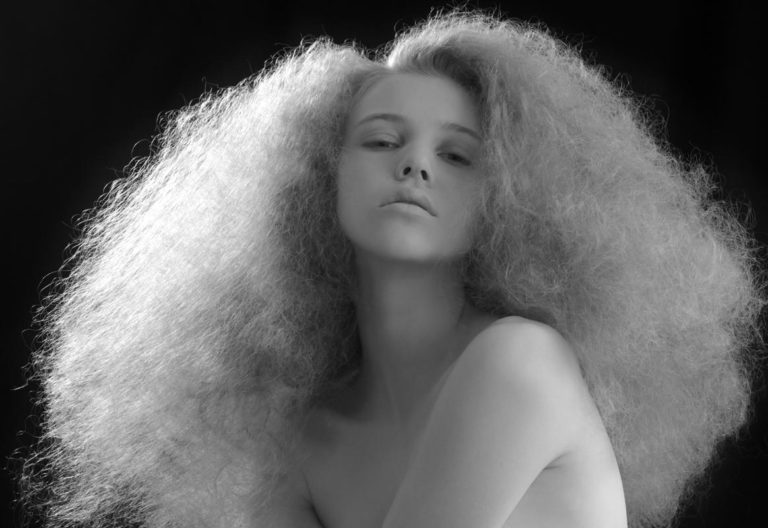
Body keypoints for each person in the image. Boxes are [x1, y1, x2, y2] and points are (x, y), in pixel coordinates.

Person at [20, 7, 764, 528]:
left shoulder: (517, 362)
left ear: (506, 200)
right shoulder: (308, 436)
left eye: (457, 155)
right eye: (382, 141)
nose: (415, 164)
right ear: (320, 176)